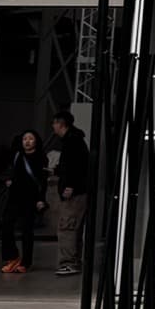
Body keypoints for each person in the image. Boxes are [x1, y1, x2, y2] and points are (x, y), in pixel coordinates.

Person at [49, 110, 93, 277]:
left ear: (61, 124)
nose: (53, 126)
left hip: (74, 192)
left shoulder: (71, 141)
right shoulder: (76, 140)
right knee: (74, 227)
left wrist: (70, 186)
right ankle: (74, 261)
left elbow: (75, 167)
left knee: (67, 227)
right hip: (79, 190)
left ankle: (68, 262)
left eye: (54, 123)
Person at [0, 130, 48, 276]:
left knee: (27, 230)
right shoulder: (17, 156)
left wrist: (41, 199)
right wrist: (8, 180)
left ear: (36, 141)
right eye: (25, 138)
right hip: (15, 196)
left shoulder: (41, 158)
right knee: (6, 224)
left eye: (31, 138)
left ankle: (26, 262)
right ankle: (12, 257)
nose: (27, 141)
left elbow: (42, 181)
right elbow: (10, 172)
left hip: (30, 198)